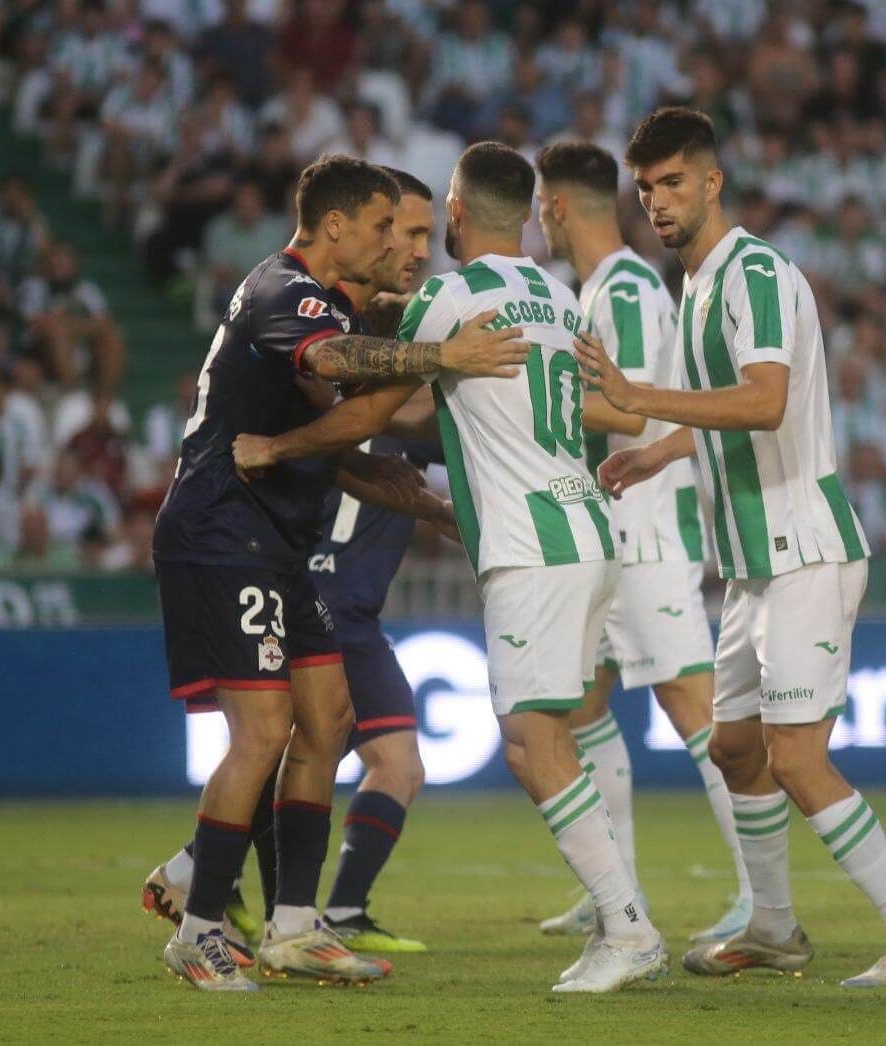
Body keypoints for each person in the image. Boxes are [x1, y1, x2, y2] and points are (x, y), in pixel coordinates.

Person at [230, 142, 669, 994]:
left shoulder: (450, 298)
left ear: (459, 213)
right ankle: (624, 920)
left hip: (530, 546)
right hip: (588, 530)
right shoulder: (559, 294)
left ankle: (628, 926)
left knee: (529, 745)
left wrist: (280, 442)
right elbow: (494, 406)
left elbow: (374, 407)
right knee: (554, 737)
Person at [576, 107, 886, 988]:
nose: (658, 202)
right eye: (645, 189)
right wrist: (659, 447)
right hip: (751, 564)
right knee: (734, 750)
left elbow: (765, 402)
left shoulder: (750, 273)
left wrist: (643, 397)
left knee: (794, 757)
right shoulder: (698, 282)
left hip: (804, 548)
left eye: (673, 183)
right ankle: (774, 926)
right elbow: (728, 415)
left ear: (711, 181)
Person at [151, 154, 517, 991]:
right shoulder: (287, 293)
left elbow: (329, 431)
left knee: (329, 717)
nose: (396, 241)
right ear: (335, 226)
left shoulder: (322, 299)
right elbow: (333, 363)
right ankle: (199, 926)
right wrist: (441, 355)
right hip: (220, 530)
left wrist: (414, 499)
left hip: (272, 539)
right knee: (262, 734)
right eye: (385, 226)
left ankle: (291, 927)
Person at [533, 140, 752, 943]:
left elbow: (626, 413)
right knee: (582, 707)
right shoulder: (598, 289)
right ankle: (613, 889)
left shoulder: (622, 289)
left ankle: (758, 901)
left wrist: (519, 396)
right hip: (609, 529)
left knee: (697, 715)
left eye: (539, 209)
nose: (538, 224)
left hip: (649, 533)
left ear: (556, 206)